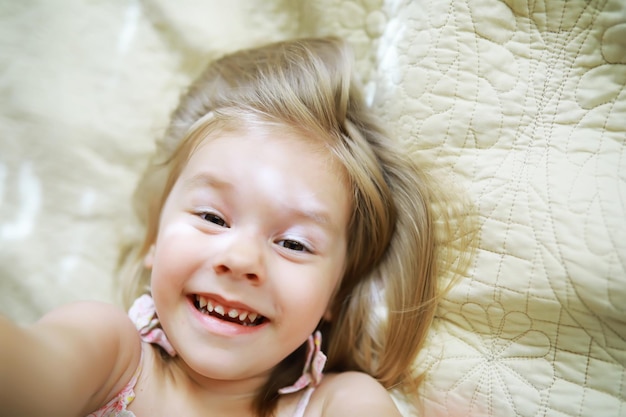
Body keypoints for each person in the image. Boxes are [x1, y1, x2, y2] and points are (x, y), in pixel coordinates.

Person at [0, 37, 463, 417]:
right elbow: (27, 375)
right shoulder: (109, 356)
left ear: (336, 294)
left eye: (294, 244)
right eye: (212, 218)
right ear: (155, 242)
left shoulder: (338, 403)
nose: (240, 260)